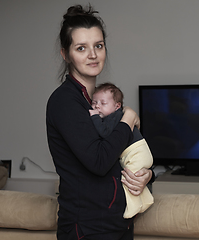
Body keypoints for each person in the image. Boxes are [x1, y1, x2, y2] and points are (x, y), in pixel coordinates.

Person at [46, 4, 153, 240]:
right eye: (81, 48)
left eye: (98, 46)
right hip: (87, 228)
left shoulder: (97, 104)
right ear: (66, 54)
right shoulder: (65, 101)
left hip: (117, 224)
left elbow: (126, 152)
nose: (92, 55)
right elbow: (99, 161)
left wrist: (147, 175)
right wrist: (127, 118)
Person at [89, 83, 154, 219]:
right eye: (94, 102)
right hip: (139, 153)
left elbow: (105, 134)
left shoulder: (115, 117)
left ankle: (133, 207)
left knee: (128, 180)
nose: (97, 106)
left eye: (103, 103)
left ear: (117, 106)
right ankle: (147, 199)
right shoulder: (120, 115)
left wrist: (94, 117)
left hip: (136, 153)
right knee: (136, 179)